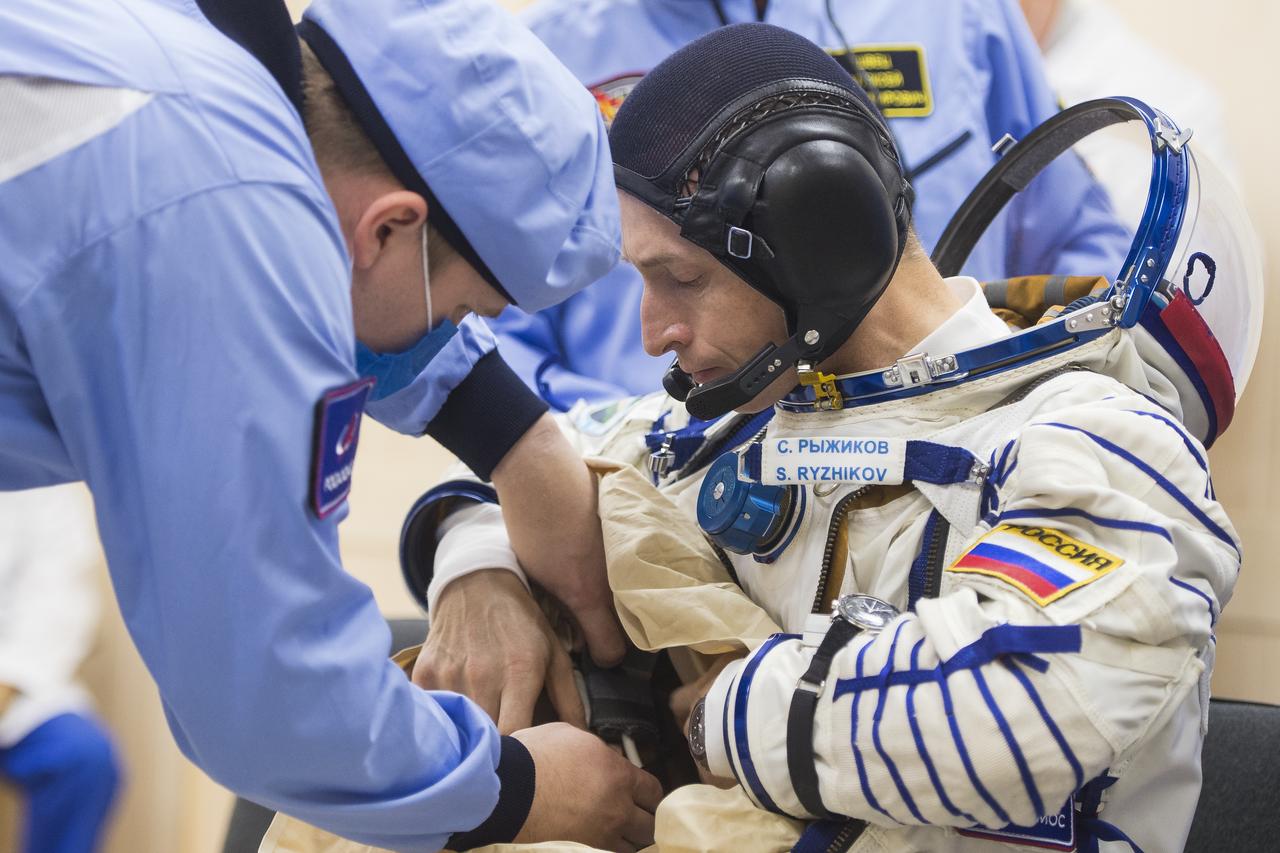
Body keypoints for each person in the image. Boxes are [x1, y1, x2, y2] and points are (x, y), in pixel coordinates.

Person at [410, 23, 1249, 851]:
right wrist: (477, 574)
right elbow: (543, 462)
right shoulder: (734, 428)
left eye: (680, 277)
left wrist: (723, 717)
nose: (652, 332)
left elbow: (1024, 700)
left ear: (820, 240)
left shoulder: (1097, 440)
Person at [0, 0, 658, 849]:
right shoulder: (229, 203)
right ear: (388, 225)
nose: (449, 339)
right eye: (459, 312)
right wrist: (518, 789)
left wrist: (518, 441)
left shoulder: (181, 67)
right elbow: (268, 692)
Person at [488, 0, 1132, 410]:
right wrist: (631, 438)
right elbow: (490, 329)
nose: (655, 331)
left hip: (941, 451)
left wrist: (1016, 397)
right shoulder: (537, 63)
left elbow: (1082, 235)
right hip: (658, 480)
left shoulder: (958, 14)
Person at [0, 486, 120, 853]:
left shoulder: (32, 465)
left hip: (14, 685)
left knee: (85, 759)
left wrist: (9, 681)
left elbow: (58, 591)